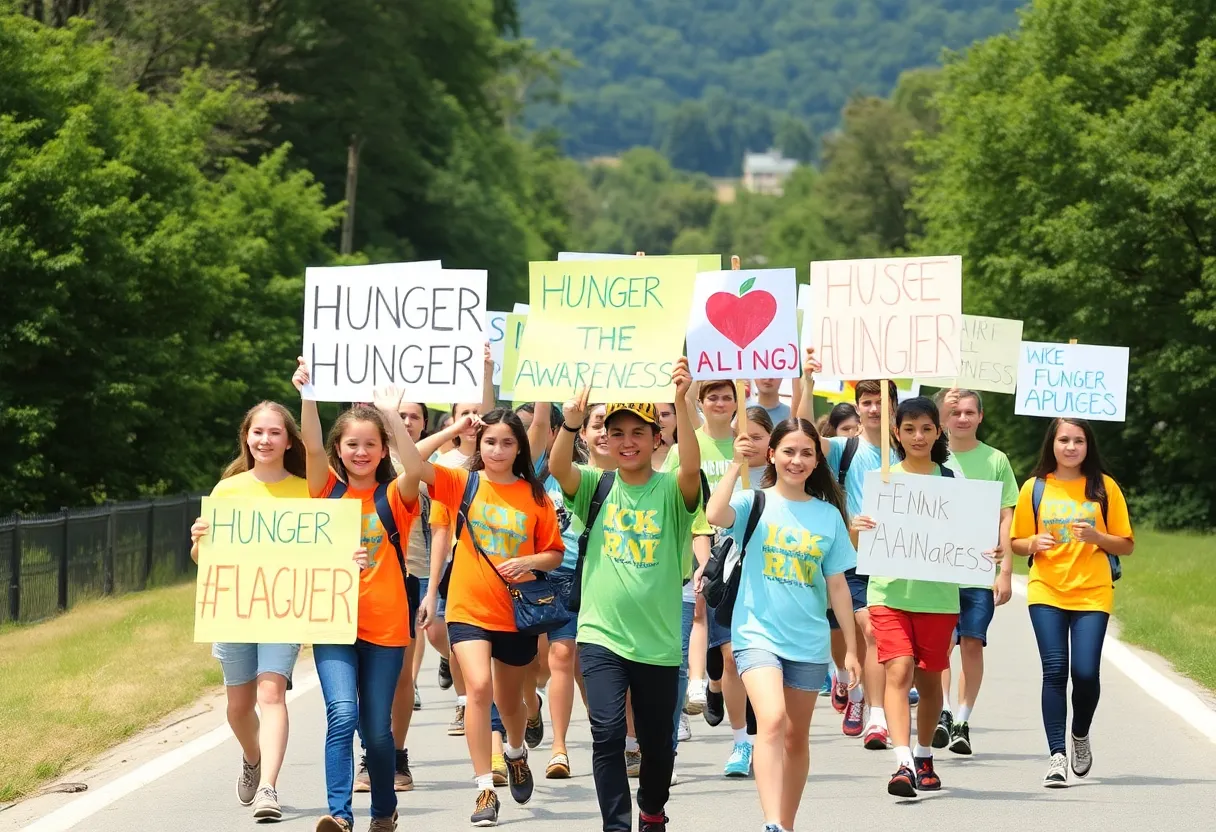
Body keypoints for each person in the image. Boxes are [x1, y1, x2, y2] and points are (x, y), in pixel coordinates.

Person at [550, 358, 702, 832]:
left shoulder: (672, 490)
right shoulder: (596, 484)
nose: (627, 441)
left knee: (658, 744)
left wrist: (681, 401)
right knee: (608, 733)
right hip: (600, 635)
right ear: (604, 440)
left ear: (658, 438)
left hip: (657, 643)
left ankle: (652, 810)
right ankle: (616, 825)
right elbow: (558, 466)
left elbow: (693, 468)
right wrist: (571, 422)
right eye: (617, 433)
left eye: (638, 432)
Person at [407, 407, 564, 827]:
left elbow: (554, 551)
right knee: (478, 687)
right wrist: (455, 430)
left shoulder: (534, 495)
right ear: (480, 443)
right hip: (468, 607)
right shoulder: (462, 482)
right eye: (490, 441)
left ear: (519, 448)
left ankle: (515, 751)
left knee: (510, 702)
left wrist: (530, 559)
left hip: (515, 612)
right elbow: (410, 461)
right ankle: (483, 789)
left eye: (507, 442)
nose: (497, 449)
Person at [705, 417, 861, 832]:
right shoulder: (751, 501)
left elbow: (838, 587)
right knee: (771, 720)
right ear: (772, 454)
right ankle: (771, 822)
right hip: (756, 633)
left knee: (796, 737)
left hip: (808, 641)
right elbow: (713, 513)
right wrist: (737, 465)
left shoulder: (828, 516)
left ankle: (786, 824)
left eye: (806, 453)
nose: (797, 460)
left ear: (816, 461)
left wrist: (851, 648)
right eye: (788, 451)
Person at [295, 363, 421, 832]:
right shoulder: (326, 492)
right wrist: (309, 393)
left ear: (382, 448)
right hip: (333, 622)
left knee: (378, 730)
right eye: (352, 444)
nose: (361, 451)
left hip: (387, 627)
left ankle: (383, 811)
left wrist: (390, 414)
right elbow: (308, 445)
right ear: (338, 450)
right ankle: (341, 815)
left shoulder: (397, 495)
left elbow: (414, 465)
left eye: (371, 443)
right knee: (342, 715)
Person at [852, 396, 999, 799]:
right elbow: (858, 543)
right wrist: (856, 527)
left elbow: (976, 538)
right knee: (898, 670)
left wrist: (991, 553)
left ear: (939, 432)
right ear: (896, 433)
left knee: (930, 679)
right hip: (888, 595)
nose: (918, 436)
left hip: (938, 601)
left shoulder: (954, 483)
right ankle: (902, 763)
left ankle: (923, 755)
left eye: (927, 428)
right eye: (910, 428)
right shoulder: (883, 482)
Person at [188, 401, 313, 823]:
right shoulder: (228, 490)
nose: (265, 440)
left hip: (284, 609)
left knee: (271, 693)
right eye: (258, 432)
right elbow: (205, 560)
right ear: (246, 436)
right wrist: (197, 540)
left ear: (289, 439)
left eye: (275, 432)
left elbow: (323, 548)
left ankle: (268, 788)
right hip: (235, 609)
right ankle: (252, 755)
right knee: (239, 707)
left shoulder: (306, 490)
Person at [1011, 418, 1134, 788]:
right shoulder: (1034, 488)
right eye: (1063, 439)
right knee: (1054, 670)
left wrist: (1098, 536)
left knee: (1084, 673)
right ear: (1052, 443)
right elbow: (1017, 541)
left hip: (1092, 591)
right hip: (1046, 590)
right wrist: (1032, 544)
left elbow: (1126, 544)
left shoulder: (1104, 487)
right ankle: (1057, 756)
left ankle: (1079, 733)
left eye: (1078, 440)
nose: (1070, 447)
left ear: (1087, 445)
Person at [797, 350, 899, 748]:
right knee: (844, 632)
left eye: (881, 402)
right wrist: (806, 383)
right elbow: (804, 432)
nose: (874, 409)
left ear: (893, 406)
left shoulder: (907, 449)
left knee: (873, 632)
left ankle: (875, 715)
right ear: (858, 408)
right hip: (850, 557)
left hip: (895, 557)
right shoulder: (845, 448)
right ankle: (848, 684)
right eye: (867, 402)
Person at [664, 380, 753, 777]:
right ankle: (704, 690)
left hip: (750, 559)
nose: (720, 402)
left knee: (734, 655)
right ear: (700, 401)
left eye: (727, 396)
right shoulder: (687, 446)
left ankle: (740, 740)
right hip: (702, 559)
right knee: (710, 641)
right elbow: (675, 501)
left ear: (737, 401)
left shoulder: (748, 441)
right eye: (712, 396)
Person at [932, 389, 1016, 754]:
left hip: (977, 571)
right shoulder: (932, 456)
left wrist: (1006, 570)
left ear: (980, 417)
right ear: (944, 419)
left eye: (969, 412)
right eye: (955, 412)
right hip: (935, 570)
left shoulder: (996, 460)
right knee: (940, 646)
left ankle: (964, 719)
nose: (962, 418)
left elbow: (1006, 515)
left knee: (971, 643)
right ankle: (944, 712)